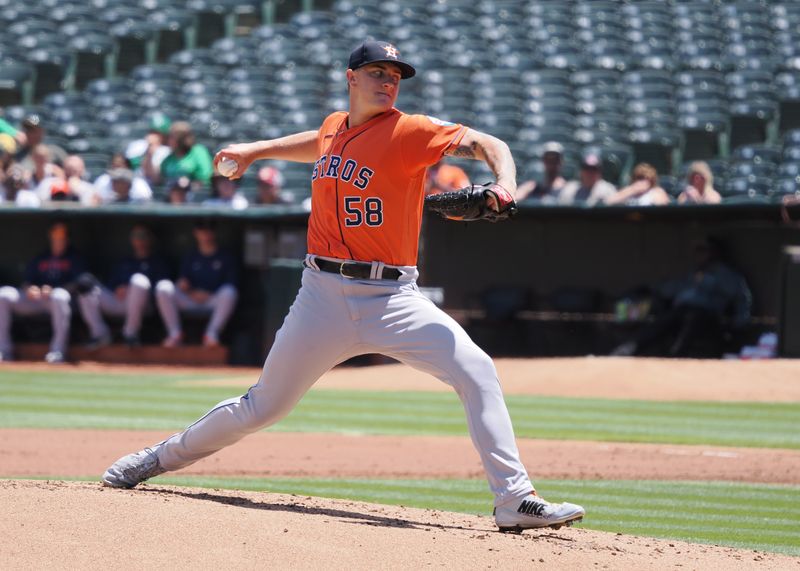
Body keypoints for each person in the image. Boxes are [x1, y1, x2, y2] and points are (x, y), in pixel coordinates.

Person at [102, 40, 585, 533]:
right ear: (351, 77)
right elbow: (319, 140)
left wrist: (504, 185)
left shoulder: (410, 130)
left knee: (477, 370)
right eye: (377, 71)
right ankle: (155, 459)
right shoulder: (337, 125)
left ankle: (514, 499)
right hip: (322, 296)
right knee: (262, 407)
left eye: (395, 74)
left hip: (393, 298)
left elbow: (491, 145)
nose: (388, 81)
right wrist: (256, 150)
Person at [611, 238, 752, 358]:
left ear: (714, 252)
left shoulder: (725, 274)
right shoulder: (694, 273)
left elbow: (741, 298)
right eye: (698, 250)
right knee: (663, 320)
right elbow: (671, 290)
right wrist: (648, 289)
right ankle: (629, 348)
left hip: (707, 315)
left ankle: (676, 357)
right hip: (681, 311)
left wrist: (739, 324)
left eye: (704, 250)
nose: (699, 254)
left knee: (691, 319)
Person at [0, 221, 86, 363]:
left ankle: (58, 351)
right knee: (3, 295)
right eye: (55, 236)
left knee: (59, 296)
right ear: (50, 237)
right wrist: (29, 289)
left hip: (57, 301)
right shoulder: (41, 257)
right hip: (36, 300)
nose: (58, 240)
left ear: (67, 239)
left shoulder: (75, 258)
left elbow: (79, 283)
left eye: (61, 237)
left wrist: (54, 289)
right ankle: (4, 350)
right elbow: (27, 281)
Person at [77, 224, 170, 348]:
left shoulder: (157, 262)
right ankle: (100, 334)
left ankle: (130, 334)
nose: (139, 239)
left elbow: (160, 293)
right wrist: (118, 288)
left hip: (144, 306)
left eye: (143, 236)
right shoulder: (124, 262)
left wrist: (131, 289)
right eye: (135, 236)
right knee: (85, 286)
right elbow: (110, 285)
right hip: (119, 302)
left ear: (150, 238)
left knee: (139, 281)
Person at [154, 219, 238, 348]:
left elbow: (231, 283)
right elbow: (182, 282)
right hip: (191, 299)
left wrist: (208, 294)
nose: (205, 234)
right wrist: (186, 288)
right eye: (202, 231)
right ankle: (174, 334)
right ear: (196, 233)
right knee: (163, 288)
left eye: (208, 231)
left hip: (212, 300)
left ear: (214, 233)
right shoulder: (191, 256)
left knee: (229, 292)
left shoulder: (225, 256)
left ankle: (211, 334)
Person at [155, 122, 213, 187]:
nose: (168, 140)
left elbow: (206, 177)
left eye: (171, 137)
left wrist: (189, 184)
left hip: (196, 194)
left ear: (181, 139)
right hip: (172, 194)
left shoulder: (198, 152)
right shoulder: (169, 158)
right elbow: (160, 179)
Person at [126, 113, 172, 184]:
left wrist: (149, 152)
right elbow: (126, 168)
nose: (154, 135)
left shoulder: (167, 151)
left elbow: (155, 178)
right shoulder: (136, 145)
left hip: (152, 188)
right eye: (152, 131)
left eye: (158, 133)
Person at [605, 162, 671, 206]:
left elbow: (663, 208)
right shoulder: (628, 191)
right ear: (634, 178)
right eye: (640, 178)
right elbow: (608, 203)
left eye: (647, 178)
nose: (643, 181)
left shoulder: (657, 192)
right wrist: (632, 190)